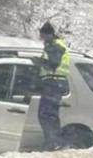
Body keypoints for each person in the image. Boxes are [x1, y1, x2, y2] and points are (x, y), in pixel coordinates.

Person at [30, 21, 71, 151]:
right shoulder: (53, 45)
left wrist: (38, 62)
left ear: (48, 34)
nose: (42, 39)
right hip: (54, 83)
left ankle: (53, 142)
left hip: (54, 83)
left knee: (46, 114)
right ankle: (53, 141)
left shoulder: (55, 46)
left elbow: (52, 65)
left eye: (43, 36)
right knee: (49, 114)